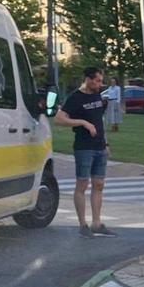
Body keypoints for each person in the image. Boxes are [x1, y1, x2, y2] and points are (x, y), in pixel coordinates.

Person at [52, 67, 117, 239]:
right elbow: (59, 119)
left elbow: (99, 121)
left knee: (99, 184)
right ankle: (83, 224)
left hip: (99, 146)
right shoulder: (75, 97)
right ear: (88, 79)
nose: (99, 84)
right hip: (84, 147)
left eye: (100, 80)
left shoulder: (97, 95)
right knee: (82, 184)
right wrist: (81, 122)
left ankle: (97, 223)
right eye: (96, 80)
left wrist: (106, 142)